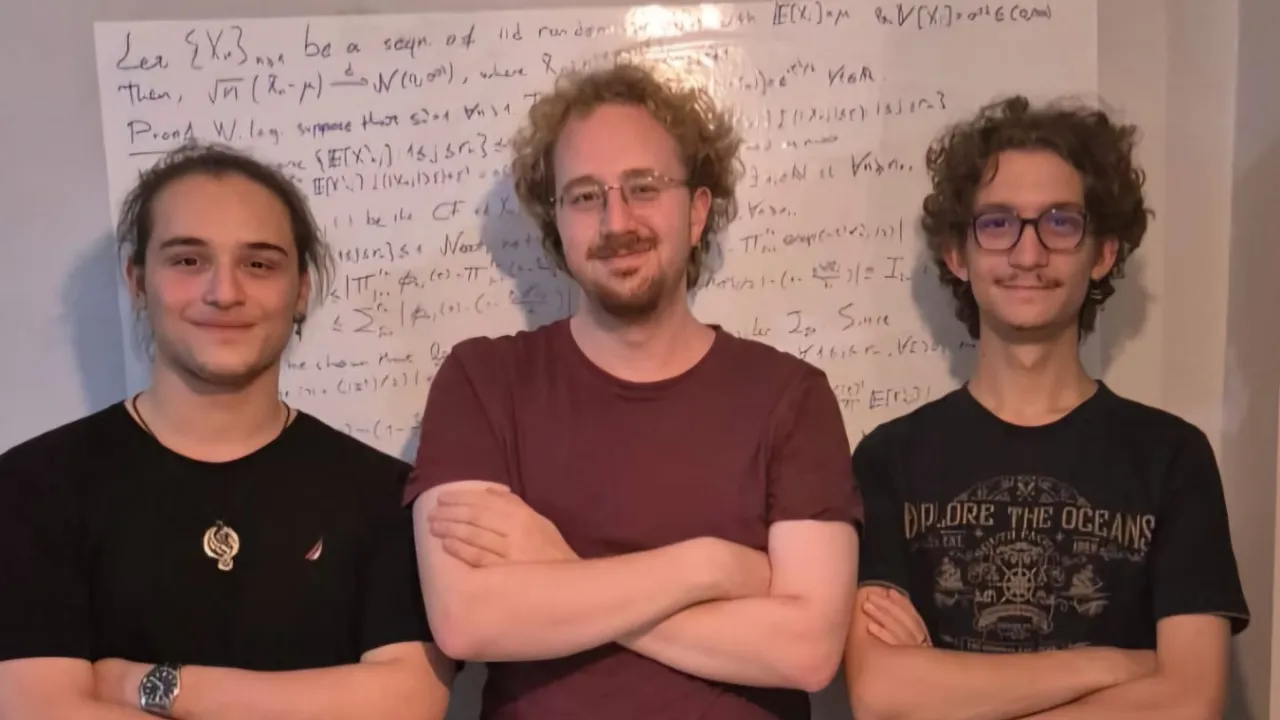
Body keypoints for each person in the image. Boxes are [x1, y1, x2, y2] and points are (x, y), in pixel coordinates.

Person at [403, 61, 861, 720]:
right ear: (557, 222)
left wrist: (558, 567)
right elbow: (468, 620)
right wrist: (710, 568)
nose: (616, 221)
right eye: (585, 196)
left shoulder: (791, 396)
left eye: (644, 187)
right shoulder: (482, 381)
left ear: (697, 212)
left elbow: (807, 652)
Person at [0, 142, 454, 720]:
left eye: (259, 264)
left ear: (301, 289)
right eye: (188, 260)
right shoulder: (33, 486)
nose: (224, 292)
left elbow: (408, 703)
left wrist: (151, 685)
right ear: (137, 282)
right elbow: (36, 708)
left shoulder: (386, 494)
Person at [844, 95, 1250, 720]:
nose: (1028, 255)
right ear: (957, 254)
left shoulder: (1173, 457)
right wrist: (1122, 665)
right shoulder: (888, 459)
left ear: (1103, 252)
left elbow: (1190, 702)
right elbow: (880, 693)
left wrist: (951, 690)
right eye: (997, 223)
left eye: (1060, 223)